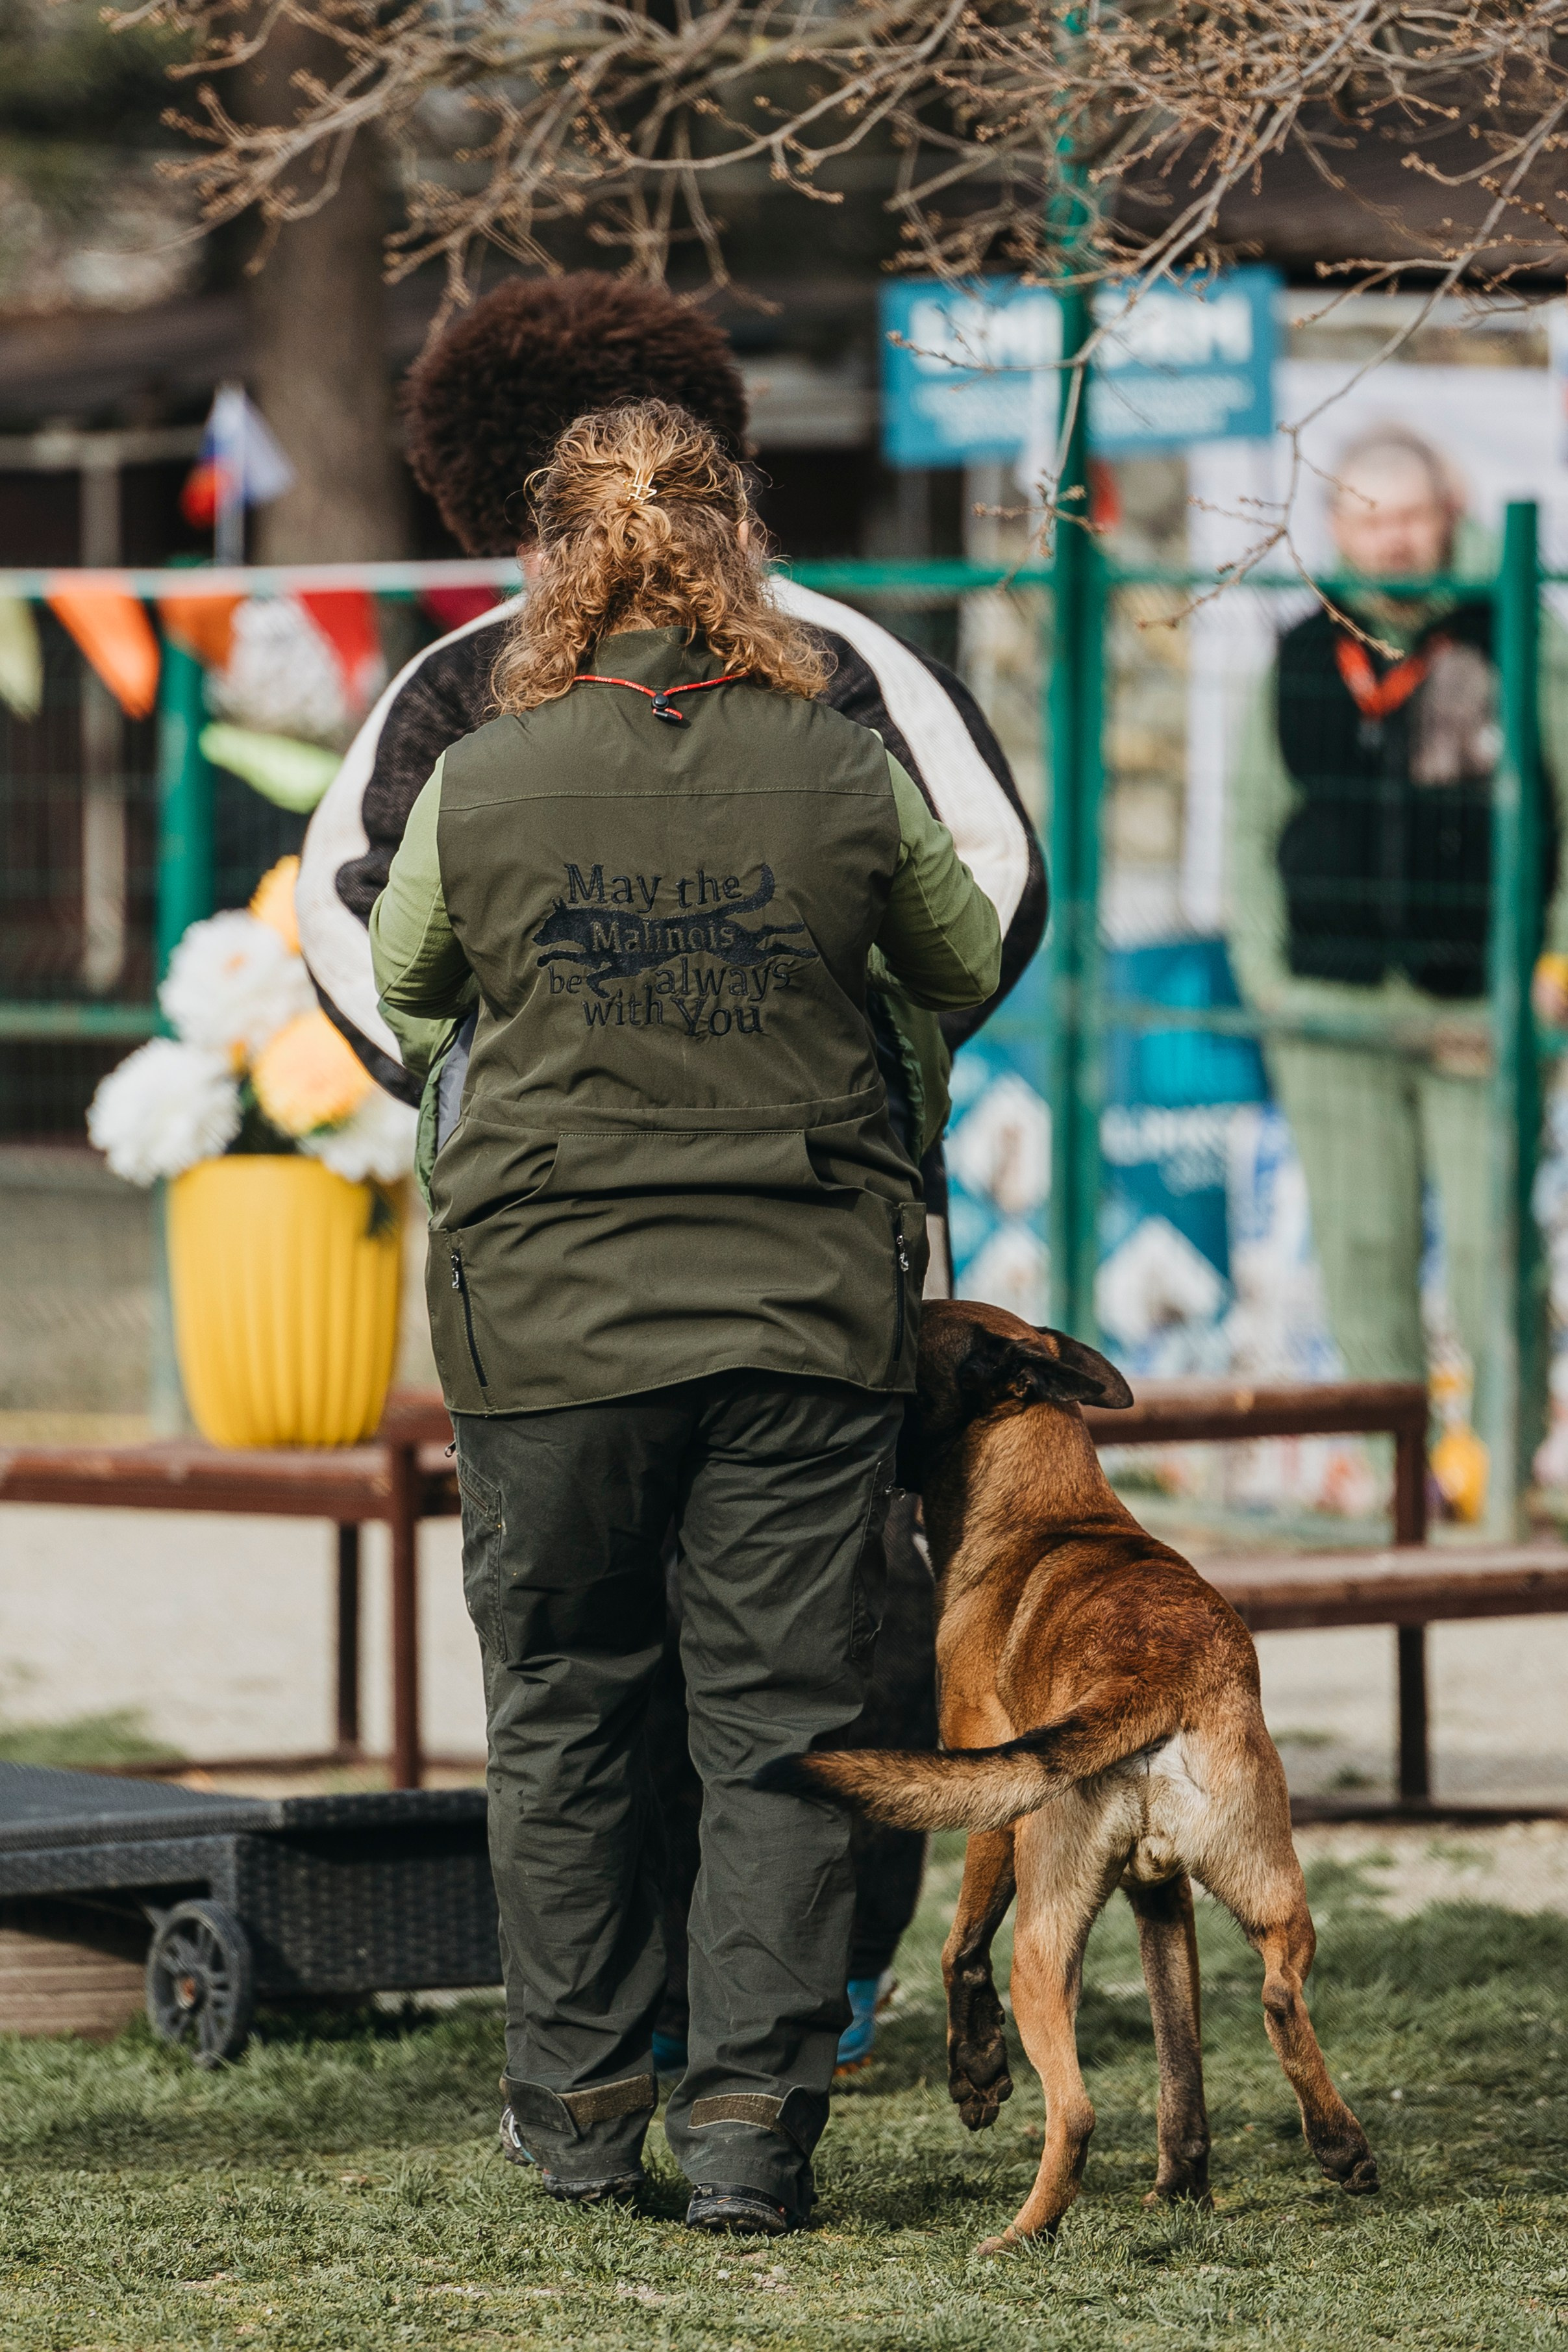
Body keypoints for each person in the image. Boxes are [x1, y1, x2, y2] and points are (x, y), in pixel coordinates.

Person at [295, 272, 1045, 2060]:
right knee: (813, 1668)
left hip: (549, 1286)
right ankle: (771, 2062)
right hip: (812, 1272)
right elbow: (985, 903)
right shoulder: (853, 690)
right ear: (734, 489)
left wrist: (536, 1088)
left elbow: (361, 952)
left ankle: (585, 2078)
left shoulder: (463, 720)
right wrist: (830, 1065)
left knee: (571, 1687)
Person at [1226, 423, 1568, 1470]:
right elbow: (1250, 826)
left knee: (1488, 1252)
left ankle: (1501, 1485)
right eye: (1368, 518)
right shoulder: (1295, 652)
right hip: (1330, 1014)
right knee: (1362, 1256)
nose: (1392, 542)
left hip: (1485, 1009)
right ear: (1336, 526)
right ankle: (1395, 1494)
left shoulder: (1519, 637)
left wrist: (1554, 969)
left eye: (1413, 516)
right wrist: (1271, 984)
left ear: (1449, 518)